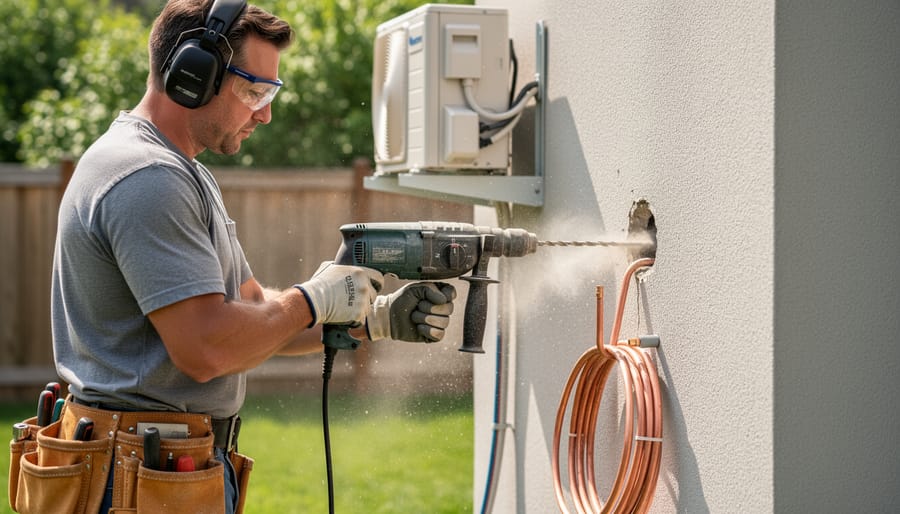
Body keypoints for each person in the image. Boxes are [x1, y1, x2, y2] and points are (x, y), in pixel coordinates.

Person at [48, 1, 456, 513]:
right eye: (254, 91)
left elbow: (254, 309)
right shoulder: (147, 178)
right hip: (137, 477)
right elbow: (207, 348)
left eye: (270, 93)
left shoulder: (184, 172)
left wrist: (371, 319)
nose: (265, 113)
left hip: (155, 466)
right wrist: (312, 300)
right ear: (193, 75)